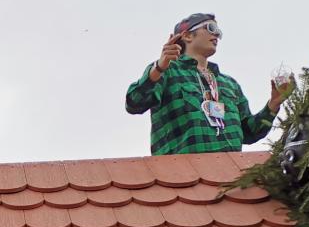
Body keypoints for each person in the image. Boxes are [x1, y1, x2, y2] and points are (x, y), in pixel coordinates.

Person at [125, 13, 294, 155]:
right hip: (180, 178)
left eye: (219, 32)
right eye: (211, 29)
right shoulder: (166, 71)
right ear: (188, 35)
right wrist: (158, 68)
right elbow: (134, 103)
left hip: (228, 177)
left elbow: (249, 133)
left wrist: (273, 104)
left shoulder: (228, 83)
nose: (217, 36)